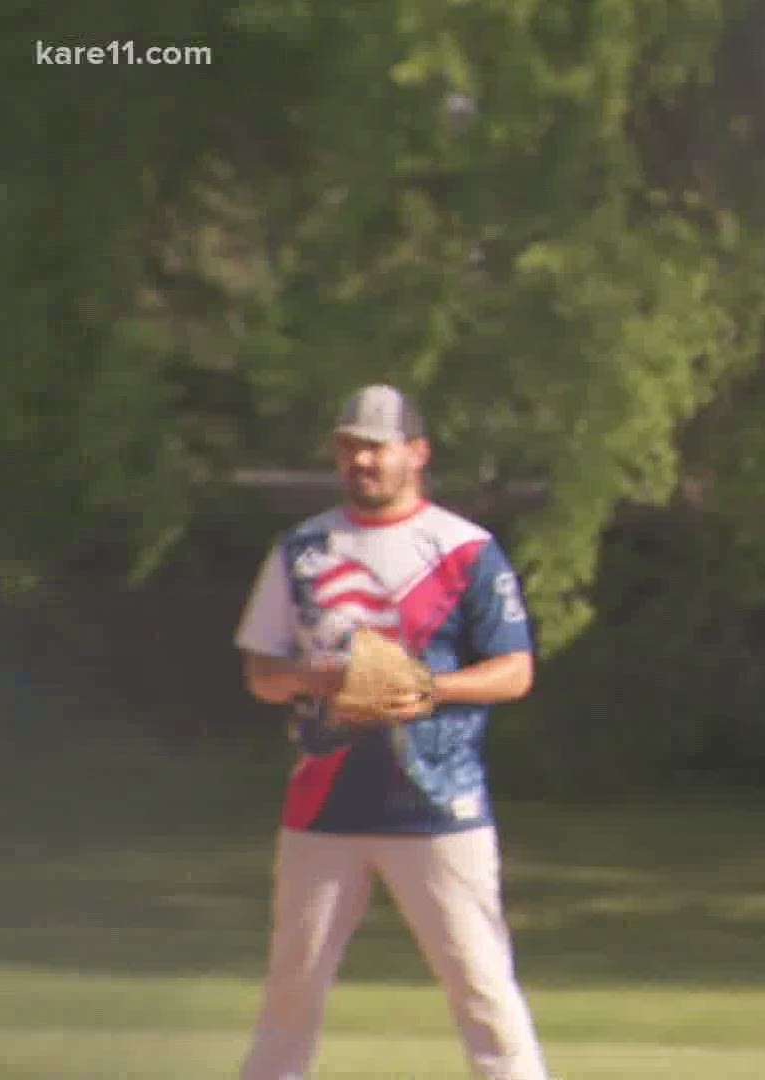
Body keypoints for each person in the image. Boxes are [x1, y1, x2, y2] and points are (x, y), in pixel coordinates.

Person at [232, 385, 549, 1080]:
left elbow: (514, 672)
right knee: (291, 995)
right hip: (323, 801)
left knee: (484, 992)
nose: (362, 461)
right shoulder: (304, 548)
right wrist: (308, 679)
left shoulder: (464, 549)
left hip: (438, 804)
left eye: (377, 446)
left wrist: (425, 689)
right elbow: (261, 669)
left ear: (417, 453)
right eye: (350, 447)